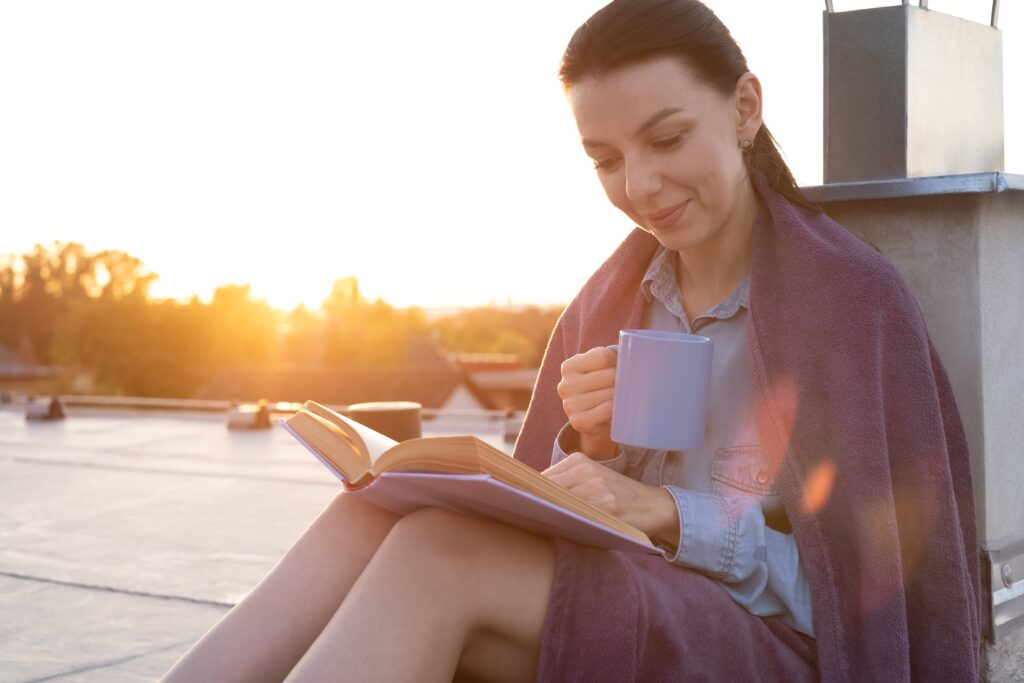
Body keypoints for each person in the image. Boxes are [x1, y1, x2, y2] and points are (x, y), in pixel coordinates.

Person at [163, 0, 981, 680]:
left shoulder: (849, 302)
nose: (640, 187)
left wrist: (667, 512)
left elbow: (866, 602)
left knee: (438, 553)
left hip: (769, 649)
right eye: (605, 160)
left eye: (665, 140)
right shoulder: (610, 301)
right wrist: (595, 450)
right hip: (636, 606)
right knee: (367, 516)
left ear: (744, 108)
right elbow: (564, 510)